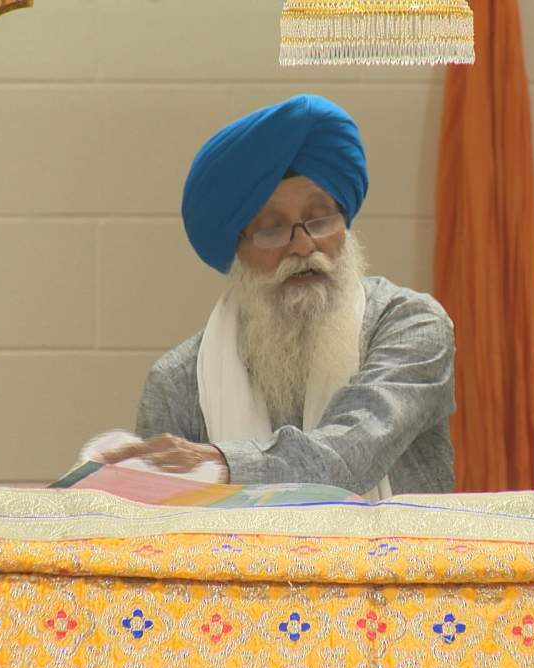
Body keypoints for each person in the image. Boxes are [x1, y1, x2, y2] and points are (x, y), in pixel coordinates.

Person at [92, 95, 455, 499]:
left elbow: (350, 455)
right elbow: (157, 529)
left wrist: (217, 465)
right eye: (271, 228)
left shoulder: (411, 326)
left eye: (320, 218)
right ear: (237, 253)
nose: (303, 246)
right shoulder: (179, 383)